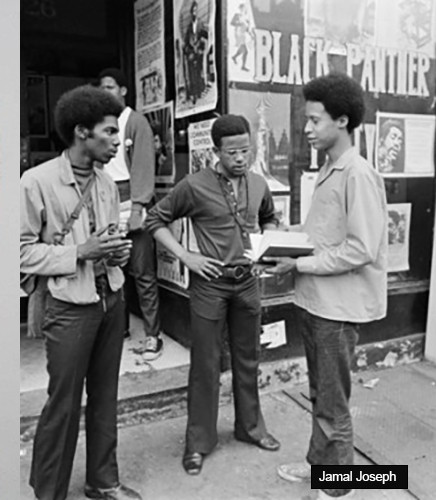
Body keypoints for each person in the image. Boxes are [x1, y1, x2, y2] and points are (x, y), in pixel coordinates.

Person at [270, 72, 388, 500]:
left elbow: (361, 248)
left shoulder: (357, 174)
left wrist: (303, 262)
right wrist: (283, 242)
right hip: (318, 303)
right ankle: (320, 468)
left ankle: (340, 489)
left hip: (338, 310)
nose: (307, 128)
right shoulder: (330, 170)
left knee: (333, 404)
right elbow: (323, 233)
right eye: (306, 120)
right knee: (321, 393)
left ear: (342, 120)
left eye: (315, 120)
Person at [20, 85, 140, 500]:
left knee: (106, 396)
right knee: (64, 403)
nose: (116, 142)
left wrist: (116, 250)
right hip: (69, 307)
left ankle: (103, 482)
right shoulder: (36, 182)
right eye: (109, 133)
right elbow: (20, 253)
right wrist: (81, 252)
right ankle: (48, 491)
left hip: (112, 299)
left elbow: (106, 239)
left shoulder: (107, 183)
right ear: (81, 132)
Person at [145, 114, 281, 477]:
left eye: (246, 150)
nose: (240, 158)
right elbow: (154, 221)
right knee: (205, 365)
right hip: (209, 284)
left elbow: (270, 218)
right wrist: (186, 256)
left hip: (248, 282)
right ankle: (199, 443)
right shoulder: (193, 185)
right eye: (232, 151)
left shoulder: (258, 183)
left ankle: (251, 428)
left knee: (248, 358)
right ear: (216, 151)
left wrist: (264, 249)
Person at [99, 68, 163, 361]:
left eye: (110, 87)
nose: (105, 92)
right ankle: (119, 330)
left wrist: (138, 207)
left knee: (143, 274)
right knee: (113, 272)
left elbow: (143, 167)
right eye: (101, 88)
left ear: (123, 90)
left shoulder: (135, 122)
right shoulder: (100, 124)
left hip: (132, 201)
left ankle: (153, 336)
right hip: (107, 204)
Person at [182, 1, 207, 102]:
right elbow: (187, 40)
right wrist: (188, 50)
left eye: (195, 11)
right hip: (192, 54)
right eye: (192, 11)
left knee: (198, 72)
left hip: (199, 52)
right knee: (192, 73)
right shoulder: (189, 26)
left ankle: (200, 91)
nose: (194, 13)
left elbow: (205, 36)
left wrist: (200, 46)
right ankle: (194, 94)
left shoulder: (201, 24)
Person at [230, 2, 253, 71]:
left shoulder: (246, 18)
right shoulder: (237, 15)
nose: (243, 10)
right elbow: (232, 23)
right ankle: (243, 66)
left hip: (244, 35)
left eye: (244, 8)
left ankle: (234, 57)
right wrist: (239, 23)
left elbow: (247, 29)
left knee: (242, 49)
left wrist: (251, 35)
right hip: (238, 33)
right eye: (242, 8)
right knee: (245, 51)